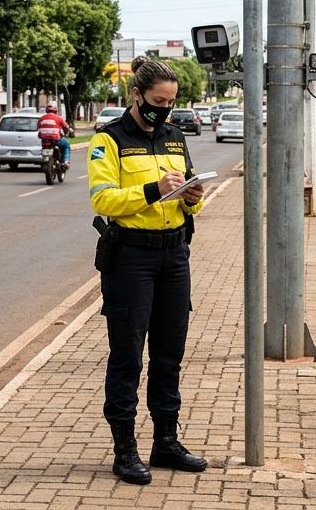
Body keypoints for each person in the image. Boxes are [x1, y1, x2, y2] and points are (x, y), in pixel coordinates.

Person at [87, 56, 208, 486]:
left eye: (172, 103)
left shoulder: (175, 137)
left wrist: (193, 195)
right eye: (159, 101)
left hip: (174, 256)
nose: (165, 110)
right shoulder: (108, 140)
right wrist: (151, 190)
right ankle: (125, 450)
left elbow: (190, 197)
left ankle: (165, 442)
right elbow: (104, 201)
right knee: (127, 357)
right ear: (136, 95)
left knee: (169, 355)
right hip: (130, 260)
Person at [37, 103, 71, 169]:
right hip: (56, 140)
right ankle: (66, 162)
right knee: (66, 146)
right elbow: (66, 127)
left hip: (44, 141)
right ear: (55, 110)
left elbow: (38, 127)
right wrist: (70, 130)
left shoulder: (41, 118)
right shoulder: (58, 117)